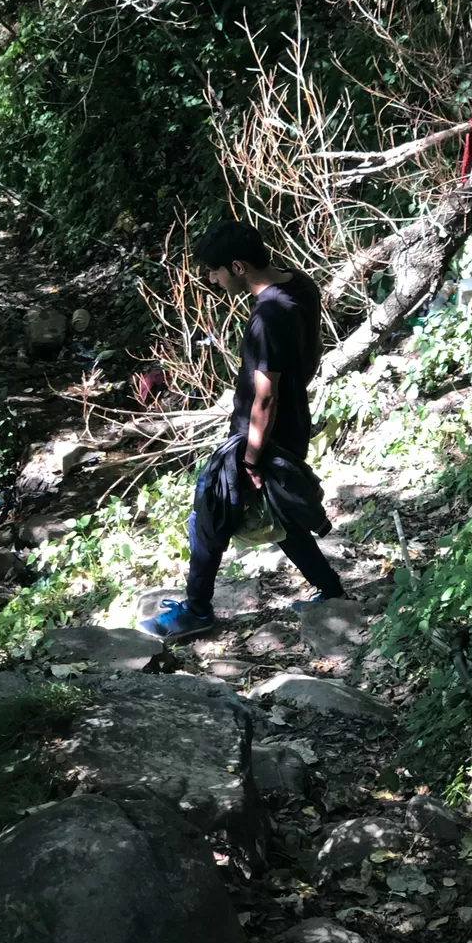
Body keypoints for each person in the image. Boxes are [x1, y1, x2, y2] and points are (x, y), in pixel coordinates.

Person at [138, 219, 346, 642]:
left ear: (237, 266)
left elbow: (265, 396)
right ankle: (331, 590)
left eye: (214, 272)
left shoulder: (267, 315)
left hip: (261, 434)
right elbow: (310, 352)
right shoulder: (299, 285)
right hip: (294, 420)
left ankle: (197, 611)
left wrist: (251, 456)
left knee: (209, 516)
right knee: (281, 511)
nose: (212, 280)